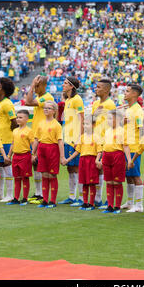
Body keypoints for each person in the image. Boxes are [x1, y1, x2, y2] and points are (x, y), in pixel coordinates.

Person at [25, 75, 54, 204]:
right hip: (37, 135)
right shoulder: (39, 97)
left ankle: (43, 194)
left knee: (42, 166)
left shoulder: (47, 98)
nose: (35, 88)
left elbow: (28, 102)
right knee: (35, 164)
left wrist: (31, 85)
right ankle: (38, 193)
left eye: (37, 86)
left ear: (44, 86)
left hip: (44, 136)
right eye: (35, 86)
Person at [96, 109, 131, 214]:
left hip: (117, 156)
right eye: (108, 118)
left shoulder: (122, 131)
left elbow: (125, 146)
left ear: (118, 119)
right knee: (109, 182)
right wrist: (101, 158)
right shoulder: (107, 131)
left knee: (117, 182)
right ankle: (110, 205)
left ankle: (117, 206)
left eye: (111, 118)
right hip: (107, 156)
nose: (109, 121)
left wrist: (129, 160)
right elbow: (104, 146)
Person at [31, 100, 65, 209]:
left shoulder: (56, 125)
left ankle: (52, 200)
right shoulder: (40, 123)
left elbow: (60, 141)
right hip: (42, 149)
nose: (45, 109)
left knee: (52, 174)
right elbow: (36, 139)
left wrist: (62, 156)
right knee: (44, 174)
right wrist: (33, 153)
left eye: (48, 108)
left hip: (52, 149)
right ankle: (45, 200)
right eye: (44, 108)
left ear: (54, 111)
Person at [65, 114, 101, 211]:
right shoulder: (81, 137)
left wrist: (97, 160)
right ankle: (85, 203)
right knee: (84, 182)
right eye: (84, 124)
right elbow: (77, 151)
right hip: (83, 161)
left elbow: (99, 151)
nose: (85, 126)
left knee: (92, 183)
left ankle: (92, 203)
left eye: (87, 124)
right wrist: (68, 159)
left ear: (93, 125)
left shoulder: (96, 137)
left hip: (92, 161)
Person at [59, 76, 85, 207]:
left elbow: (82, 119)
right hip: (67, 137)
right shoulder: (68, 100)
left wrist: (80, 138)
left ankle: (80, 197)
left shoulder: (77, 100)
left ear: (71, 86)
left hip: (74, 138)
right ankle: (71, 196)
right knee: (70, 168)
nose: (63, 85)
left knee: (76, 167)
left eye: (65, 83)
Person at [92, 78, 117, 208]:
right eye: (96, 87)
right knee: (97, 170)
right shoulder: (96, 103)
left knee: (106, 171)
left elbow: (114, 123)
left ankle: (108, 200)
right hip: (96, 140)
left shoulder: (110, 105)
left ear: (107, 90)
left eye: (99, 87)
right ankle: (98, 198)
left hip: (106, 141)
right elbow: (92, 121)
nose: (96, 89)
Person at [0, 77, 18, 203]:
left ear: (4, 90)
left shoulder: (7, 103)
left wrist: (9, 134)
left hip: (6, 139)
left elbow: (14, 122)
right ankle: (0, 192)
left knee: (7, 165)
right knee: (0, 166)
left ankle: (10, 194)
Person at [121, 83, 144, 213]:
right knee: (128, 176)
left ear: (134, 94)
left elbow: (141, 130)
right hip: (126, 146)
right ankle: (130, 202)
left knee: (135, 175)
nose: (125, 93)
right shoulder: (129, 109)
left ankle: (139, 205)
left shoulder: (137, 110)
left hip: (134, 147)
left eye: (127, 91)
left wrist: (139, 148)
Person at [6, 110, 34, 206]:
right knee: (17, 178)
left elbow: (33, 144)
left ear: (27, 119)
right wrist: (9, 155)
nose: (18, 119)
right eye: (17, 117)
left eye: (20, 117)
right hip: (16, 157)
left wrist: (34, 155)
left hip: (25, 156)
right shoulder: (15, 131)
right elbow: (13, 144)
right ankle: (16, 198)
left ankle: (25, 198)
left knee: (25, 178)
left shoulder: (29, 131)